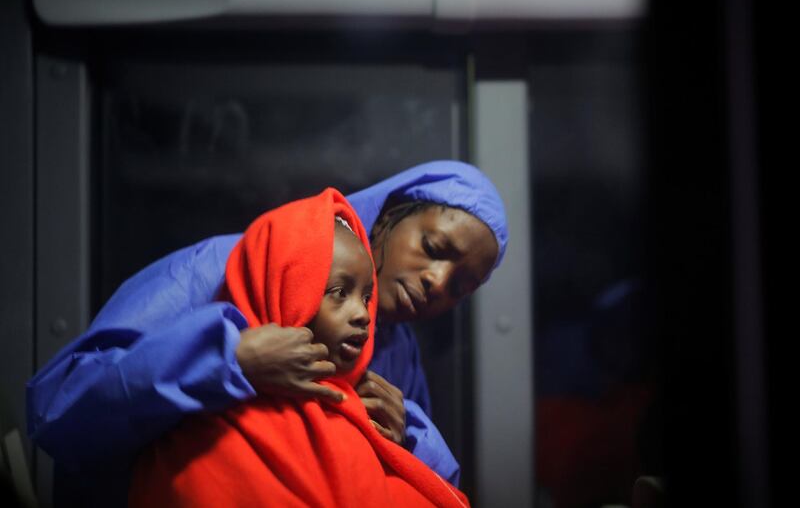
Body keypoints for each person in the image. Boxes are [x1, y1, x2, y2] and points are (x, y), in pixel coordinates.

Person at [27, 160, 507, 505]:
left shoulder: (397, 352)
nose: (438, 282)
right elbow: (60, 406)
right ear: (389, 213)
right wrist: (228, 361)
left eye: (463, 287)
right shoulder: (227, 269)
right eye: (433, 246)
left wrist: (410, 437)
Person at [129, 187, 469, 507]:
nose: (364, 315)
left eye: (368, 297)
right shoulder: (199, 438)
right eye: (339, 292)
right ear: (285, 286)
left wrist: (405, 441)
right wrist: (231, 361)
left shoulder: (356, 421)